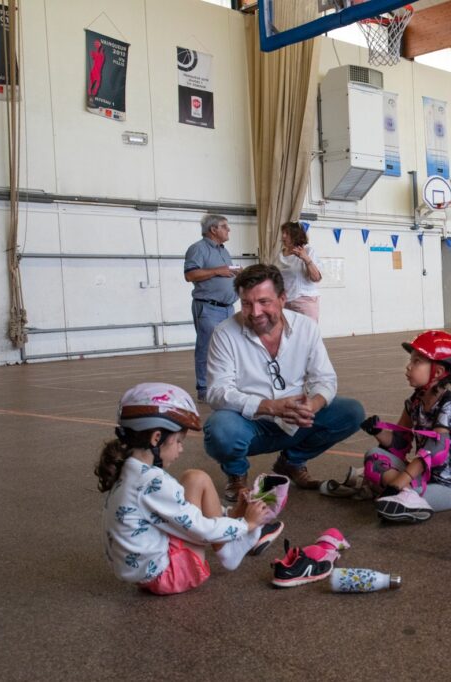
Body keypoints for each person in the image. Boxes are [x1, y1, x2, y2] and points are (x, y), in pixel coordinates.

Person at [96, 382, 283, 596]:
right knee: (199, 479)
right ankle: (230, 549)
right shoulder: (153, 482)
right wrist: (246, 524)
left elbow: (176, 511)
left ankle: (229, 532)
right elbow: (200, 530)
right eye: (178, 441)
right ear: (156, 438)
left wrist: (232, 515)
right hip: (168, 575)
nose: (181, 449)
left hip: (144, 572)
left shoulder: (129, 469)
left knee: (194, 478)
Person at [202, 264, 364, 503]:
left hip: (297, 419)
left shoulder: (306, 327)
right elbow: (217, 392)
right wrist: (269, 406)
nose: (255, 312)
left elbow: (325, 379)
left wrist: (313, 405)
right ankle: (236, 474)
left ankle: (291, 462)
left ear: (282, 298)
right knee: (220, 429)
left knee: (352, 412)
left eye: (264, 302)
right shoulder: (225, 333)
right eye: (247, 303)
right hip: (250, 422)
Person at [360, 330, 451, 523]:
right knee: (373, 456)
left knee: (397, 493)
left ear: (437, 372)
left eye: (417, 361)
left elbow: (435, 450)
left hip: (450, 486)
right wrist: (378, 431)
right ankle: (399, 494)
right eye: (411, 361)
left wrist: (398, 482)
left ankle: (400, 495)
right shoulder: (415, 401)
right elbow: (399, 443)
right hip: (423, 476)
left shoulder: (449, 404)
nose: (408, 367)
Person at [184, 214, 239, 402]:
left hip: (227, 308)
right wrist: (217, 270)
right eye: (225, 226)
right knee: (206, 348)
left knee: (228, 347)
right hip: (209, 308)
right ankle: (204, 388)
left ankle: (225, 383)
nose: (228, 229)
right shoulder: (197, 249)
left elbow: (224, 273)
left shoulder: (223, 251)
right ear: (213, 229)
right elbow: (190, 274)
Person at [277, 221, 323, 322]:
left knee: (307, 334)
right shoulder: (280, 255)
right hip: (285, 302)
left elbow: (316, 278)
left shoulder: (308, 251)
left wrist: (306, 259)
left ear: (295, 235)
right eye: (283, 233)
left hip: (304, 301)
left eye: (287, 233)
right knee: (288, 335)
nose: (283, 236)